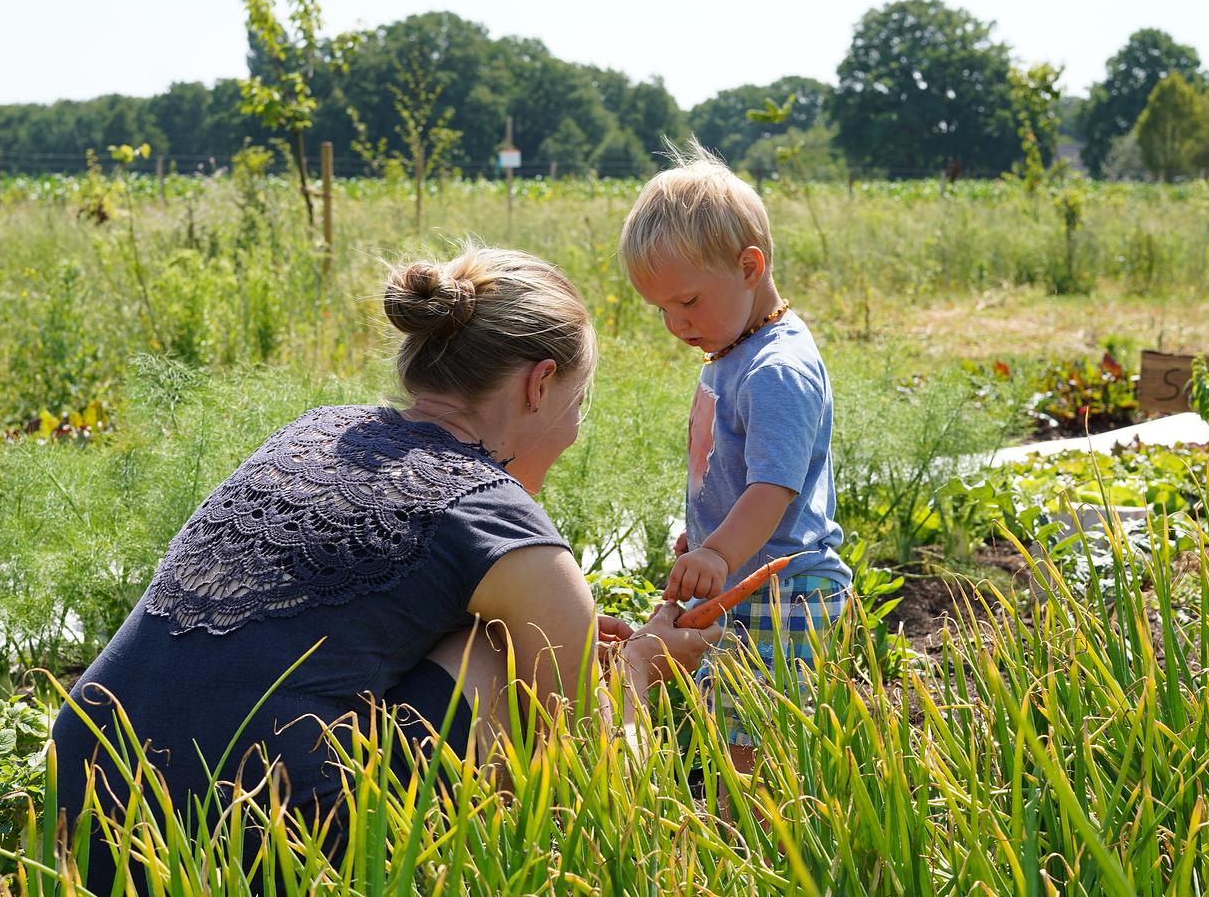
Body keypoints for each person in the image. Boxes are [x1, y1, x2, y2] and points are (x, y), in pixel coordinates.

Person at [49, 245, 719, 891]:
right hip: (253, 835)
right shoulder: (496, 516)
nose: (573, 431)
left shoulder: (317, 431)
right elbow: (605, 786)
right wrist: (635, 668)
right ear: (540, 385)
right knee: (500, 653)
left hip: (83, 802)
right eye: (578, 405)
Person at [619, 142, 854, 775]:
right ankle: (737, 825)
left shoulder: (777, 369)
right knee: (730, 722)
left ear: (749, 266)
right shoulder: (734, 350)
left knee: (755, 735)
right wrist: (703, 536)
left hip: (783, 590)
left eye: (687, 301)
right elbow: (733, 473)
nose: (675, 323)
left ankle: (748, 841)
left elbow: (774, 487)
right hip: (747, 577)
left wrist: (720, 552)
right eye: (661, 309)